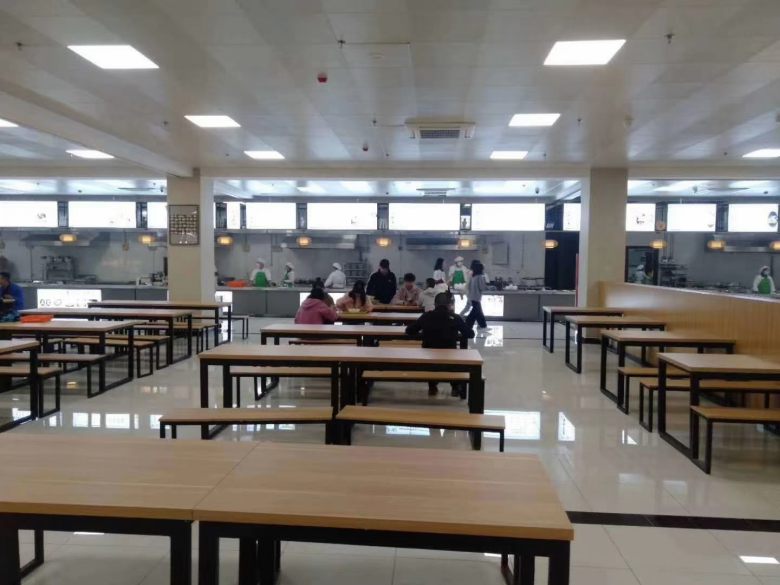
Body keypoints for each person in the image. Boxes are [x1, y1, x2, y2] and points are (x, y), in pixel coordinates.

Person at [405, 291, 474, 396]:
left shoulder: (426, 316)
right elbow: (470, 334)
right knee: (456, 357)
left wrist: (424, 332)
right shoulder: (455, 318)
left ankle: (432, 386)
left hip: (428, 360)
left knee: (431, 355)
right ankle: (455, 387)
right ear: (449, 305)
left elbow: (409, 331)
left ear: (435, 304)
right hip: (450, 359)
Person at [465, 262, 489, 331]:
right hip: (476, 297)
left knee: (478, 312)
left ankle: (483, 325)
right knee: (474, 312)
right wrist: (487, 287)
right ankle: (468, 325)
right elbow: (482, 287)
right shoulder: (480, 277)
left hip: (472, 296)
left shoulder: (473, 276)